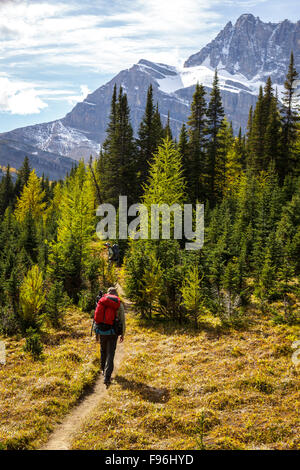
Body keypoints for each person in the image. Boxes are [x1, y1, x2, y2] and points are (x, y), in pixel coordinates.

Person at [94, 287, 125, 387]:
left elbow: (96, 319)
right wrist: (122, 334)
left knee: (103, 351)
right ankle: (107, 377)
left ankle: (103, 370)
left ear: (108, 293)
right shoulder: (118, 304)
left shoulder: (101, 301)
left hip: (102, 331)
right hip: (113, 332)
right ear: (116, 294)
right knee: (110, 353)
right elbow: (122, 320)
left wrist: (96, 334)